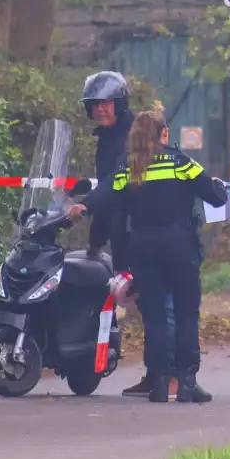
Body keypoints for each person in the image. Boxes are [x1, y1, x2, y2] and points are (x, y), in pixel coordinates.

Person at [105, 110, 228, 403]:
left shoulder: (128, 167)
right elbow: (216, 197)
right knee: (186, 314)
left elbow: (108, 201)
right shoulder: (180, 162)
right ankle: (186, 382)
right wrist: (218, 185)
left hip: (144, 248)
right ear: (163, 134)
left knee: (156, 316)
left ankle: (159, 382)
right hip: (179, 247)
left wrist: (81, 209)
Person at [69, 71, 176, 398]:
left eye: (106, 103)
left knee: (162, 305)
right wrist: (98, 239)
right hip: (129, 233)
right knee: (147, 305)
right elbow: (109, 192)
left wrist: (89, 215)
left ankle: (171, 375)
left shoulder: (132, 136)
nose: (100, 109)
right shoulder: (108, 138)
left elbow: (115, 189)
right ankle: (156, 372)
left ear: (119, 103)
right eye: (94, 104)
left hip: (150, 232)